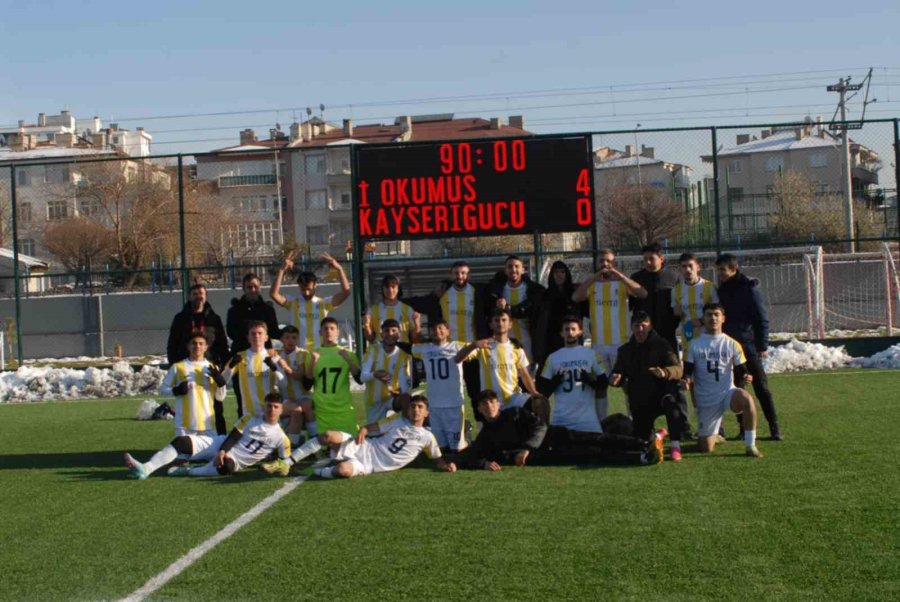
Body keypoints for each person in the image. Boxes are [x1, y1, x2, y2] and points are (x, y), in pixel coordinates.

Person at [261, 394, 456, 478]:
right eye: (413, 407)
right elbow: (370, 427)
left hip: (370, 466)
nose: (415, 410)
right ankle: (287, 461)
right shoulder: (397, 420)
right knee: (328, 435)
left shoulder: (427, 437)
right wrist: (363, 430)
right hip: (363, 446)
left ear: (427, 413)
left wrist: (447, 465)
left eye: (420, 408)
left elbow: (437, 459)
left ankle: (312, 471)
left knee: (343, 471)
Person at [460, 389, 663, 470]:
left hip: (553, 436)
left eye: (492, 402)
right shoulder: (486, 435)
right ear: (478, 408)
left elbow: (539, 425)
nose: (489, 407)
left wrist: (527, 448)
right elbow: (471, 456)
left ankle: (644, 444)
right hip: (545, 455)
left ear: (498, 403)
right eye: (484, 404)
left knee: (596, 439)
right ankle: (641, 458)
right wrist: (484, 464)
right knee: (593, 454)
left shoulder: (513, 412)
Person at [124, 332, 228, 479]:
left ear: (206, 347)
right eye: (194, 343)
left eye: (200, 344)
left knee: (213, 458)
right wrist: (176, 390)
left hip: (207, 423)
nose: (197, 346)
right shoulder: (179, 367)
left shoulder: (211, 367)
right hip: (185, 422)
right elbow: (163, 390)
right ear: (188, 346)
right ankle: (152, 468)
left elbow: (220, 396)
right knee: (181, 450)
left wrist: (221, 383)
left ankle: (179, 467)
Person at [681, 303, 763, 457]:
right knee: (705, 448)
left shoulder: (732, 343)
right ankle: (713, 434)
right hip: (706, 399)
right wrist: (685, 380)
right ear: (703, 319)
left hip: (727, 393)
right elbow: (687, 372)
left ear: (723, 318)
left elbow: (742, 369)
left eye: (716, 314)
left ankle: (750, 445)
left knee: (747, 400)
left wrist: (746, 376)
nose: (713, 318)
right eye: (709, 315)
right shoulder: (694, 345)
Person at [572, 248, 647, 417]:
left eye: (609, 261)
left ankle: (634, 421)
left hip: (621, 344)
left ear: (614, 263)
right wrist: (593, 278)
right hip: (598, 345)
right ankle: (601, 422)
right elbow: (576, 297)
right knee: (599, 385)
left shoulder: (622, 283)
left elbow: (642, 293)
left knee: (627, 384)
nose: (605, 264)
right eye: (601, 261)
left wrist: (620, 276)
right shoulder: (592, 285)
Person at [715, 254, 782, 440]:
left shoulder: (749, 288)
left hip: (748, 345)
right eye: (718, 270)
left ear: (733, 269)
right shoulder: (722, 290)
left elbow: (762, 318)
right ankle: (743, 429)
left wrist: (762, 345)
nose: (719, 274)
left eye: (722, 270)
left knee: (761, 387)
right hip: (729, 347)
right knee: (736, 388)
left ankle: (774, 427)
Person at [610, 311, 686, 461]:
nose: (640, 330)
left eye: (643, 326)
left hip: (661, 394)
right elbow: (617, 373)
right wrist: (615, 379)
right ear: (631, 328)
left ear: (650, 326)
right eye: (636, 326)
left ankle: (675, 446)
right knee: (643, 442)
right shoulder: (624, 350)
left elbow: (678, 370)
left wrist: (665, 372)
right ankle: (659, 435)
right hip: (639, 399)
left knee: (673, 407)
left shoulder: (662, 345)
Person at [170, 393, 291, 477]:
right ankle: (178, 457)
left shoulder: (282, 438)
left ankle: (189, 471)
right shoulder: (250, 418)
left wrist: (273, 467)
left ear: (281, 410)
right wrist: (222, 452)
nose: (272, 410)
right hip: (223, 445)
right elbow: (234, 436)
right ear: (264, 406)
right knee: (185, 445)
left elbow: (284, 462)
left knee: (226, 467)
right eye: (269, 406)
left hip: (236, 461)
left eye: (276, 407)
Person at [455, 308, 545, 420]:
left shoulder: (516, 347)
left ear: (510, 324)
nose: (500, 323)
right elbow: (458, 359)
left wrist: (534, 392)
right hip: (492, 401)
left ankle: (542, 436)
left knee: (540, 404)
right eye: (496, 320)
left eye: (504, 320)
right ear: (491, 325)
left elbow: (525, 374)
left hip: (513, 398)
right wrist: (474, 345)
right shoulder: (484, 345)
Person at [536, 316, 607, 434]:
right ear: (561, 333)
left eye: (573, 329)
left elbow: (603, 384)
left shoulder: (591, 354)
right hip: (561, 420)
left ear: (580, 332)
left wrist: (589, 380)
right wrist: (555, 382)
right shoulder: (553, 357)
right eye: (567, 330)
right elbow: (543, 392)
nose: (570, 333)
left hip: (588, 421)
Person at [270, 251, 351, 350]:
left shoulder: (323, 303)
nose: (306, 293)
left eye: (309, 289)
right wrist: (282, 270)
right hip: (299, 353)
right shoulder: (292, 302)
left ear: (315, 285)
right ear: (299, 286)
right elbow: (273, 294)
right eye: (303, 289)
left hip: (319, 353)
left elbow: (346, 293)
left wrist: (340, 269)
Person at [226, 273, 280, 416]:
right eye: (249, 287)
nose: (253, 289)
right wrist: (250, 337)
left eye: (255, 286)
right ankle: (243, 429)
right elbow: (231, 332)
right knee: (242, 397)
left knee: (269, 395)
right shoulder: (234, 310)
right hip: (242, 358)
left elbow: (274, 331)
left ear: (260, 287)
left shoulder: (268, 309)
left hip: (264, 358)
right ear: (243, 288)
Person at [412, 320, 469, 452]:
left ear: (448, 331)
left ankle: (467, 436)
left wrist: (475, 345)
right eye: (433, 329)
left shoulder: (457, 346)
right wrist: (417, 325)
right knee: (441, 447)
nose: (437, 331)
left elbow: (472, 352)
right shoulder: (425, 348)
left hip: (454, 403)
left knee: (457, 449)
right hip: (434, 403)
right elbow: (410, 346)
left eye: (440, 328)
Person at [486, 255, 547, 366]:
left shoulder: (533, 290)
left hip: (526, 341)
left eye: (516, 266)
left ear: (523, 270)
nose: (513, 270)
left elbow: (529, 311)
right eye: (510, 267)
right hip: (503, 342)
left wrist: (507, 308)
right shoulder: (496, 290)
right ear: (505, 270)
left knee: (526, 377)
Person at [305, 317, 361, 437]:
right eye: (325, 329)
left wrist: (348, 360)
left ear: (338, 331)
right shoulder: (313, 354)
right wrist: (313, 363)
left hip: (343, 408)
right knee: (323, 446)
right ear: (320, 333)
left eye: (332, 328)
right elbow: (307, 385)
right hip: (322, 409)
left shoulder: (348, 354)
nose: (328, 332)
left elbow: (359, 379)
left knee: (351, 446)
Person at [221, 321, 286, 418]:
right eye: (253, 333)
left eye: (260, 333)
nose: (256, 336)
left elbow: (284, 384)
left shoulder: (274, 356)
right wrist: (230, 366)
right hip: (249, 415)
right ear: (248, 337)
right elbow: (222, 380)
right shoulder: (240, 356)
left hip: (270, 414)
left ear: (266, 337)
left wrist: (274, 368)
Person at [361, 319, 412, 423]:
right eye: (386, 331)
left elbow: (405, 383)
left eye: (394, 331)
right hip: (374, 401)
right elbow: (363, 377)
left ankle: (408, 428)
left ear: (399, 334)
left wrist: (398, 393)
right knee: (375, 436)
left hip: (392, 398)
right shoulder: (373, 349)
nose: (390, 334)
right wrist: (375, 374)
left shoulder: (404, 354)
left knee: (406, 398)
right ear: (381, 334)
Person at [166, 283, 229, 367]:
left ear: (205, 297)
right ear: (189, 297)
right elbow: (172, 345)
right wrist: (174, 365)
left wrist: (223, 366)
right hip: (185, 366)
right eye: (195, 294)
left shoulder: (214, 319)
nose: (198, 296)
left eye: (201, 293)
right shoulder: (180, 319)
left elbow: (222, 345)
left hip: (209, 366)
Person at [672, 253, 718, 361]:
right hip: (688, 337)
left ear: (698, 267)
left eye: (690, 266)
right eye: (684, 266)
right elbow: (676, 313)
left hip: (708, 336)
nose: (687, 270)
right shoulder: (676, 290)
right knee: (690, 373)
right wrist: (677, 312)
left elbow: (717, 311)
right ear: (680, 269)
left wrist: (701, 321)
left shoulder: (709, 286)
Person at [277, 325, 314, 446]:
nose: (291, 341)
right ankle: (293, 446)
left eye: (294, 337)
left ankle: (315, 440)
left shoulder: (304, 354)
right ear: (281, 339)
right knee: (296, 410)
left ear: (298, 340)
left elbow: (302, 377)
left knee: (306, 405)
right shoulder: (276, 355)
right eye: (287, 337)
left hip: (303, 396)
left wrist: (287, 368)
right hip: (285, 399)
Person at [543, 260, 585, 359]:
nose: (559, 275)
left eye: (562, 272)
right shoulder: (546, 295)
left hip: (573, 337)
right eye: (556, 272)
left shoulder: (574, 293)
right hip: (553, 340)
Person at [364, 274, 420, 344]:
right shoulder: (373, 310)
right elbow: (370, 339)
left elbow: (415, 339)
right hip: (380, 351)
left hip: (402, 352)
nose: (390, 290)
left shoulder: (407, 310)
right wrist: (366, 326)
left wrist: (417, 325)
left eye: (393, 287)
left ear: (398, 289)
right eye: (387, 287)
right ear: (382, 289)